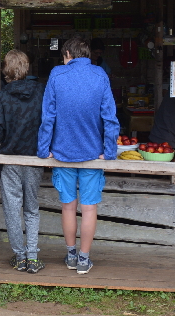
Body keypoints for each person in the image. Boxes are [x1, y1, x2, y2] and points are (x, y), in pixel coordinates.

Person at [37, 36, 120, 274]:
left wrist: (43, 149)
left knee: (68, 207)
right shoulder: (100, 75)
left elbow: (48, 116)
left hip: (62, 153)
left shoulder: (57, 75)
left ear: (68, 55)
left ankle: (71, 255)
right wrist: (109, 151)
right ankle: (84, 260)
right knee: (89, 208)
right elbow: (110, 118)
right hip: (93, 154)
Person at [0, 49, 45, 274]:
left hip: (10, 159)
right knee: (31, 208)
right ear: (26, 67)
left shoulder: (2, 96)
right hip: (34, 158)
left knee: (12, 210)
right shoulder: (40, 92)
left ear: (6, 69)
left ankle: (20, 257)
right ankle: (33, 257)